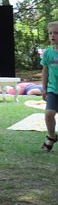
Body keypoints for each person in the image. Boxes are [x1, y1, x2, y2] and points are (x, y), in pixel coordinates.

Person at [39, 21, 58, 152]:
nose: (52, 35)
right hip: (53, 89)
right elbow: (45, 70)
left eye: (56, 33)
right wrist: (44, 88)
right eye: (50, 33)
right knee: (49, 114)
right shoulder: (48, 52)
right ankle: (51, 137)